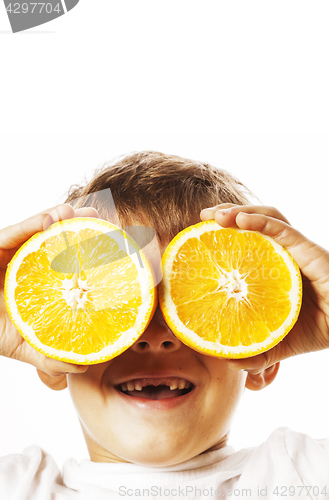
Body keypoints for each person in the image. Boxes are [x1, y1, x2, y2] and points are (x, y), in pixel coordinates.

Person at [0, 151, 328, 499]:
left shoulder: (304, 474)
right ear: (47, 344)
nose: (155, 337)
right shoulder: (18, 487)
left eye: (197, 304)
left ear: (265, 354)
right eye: (117, 302)